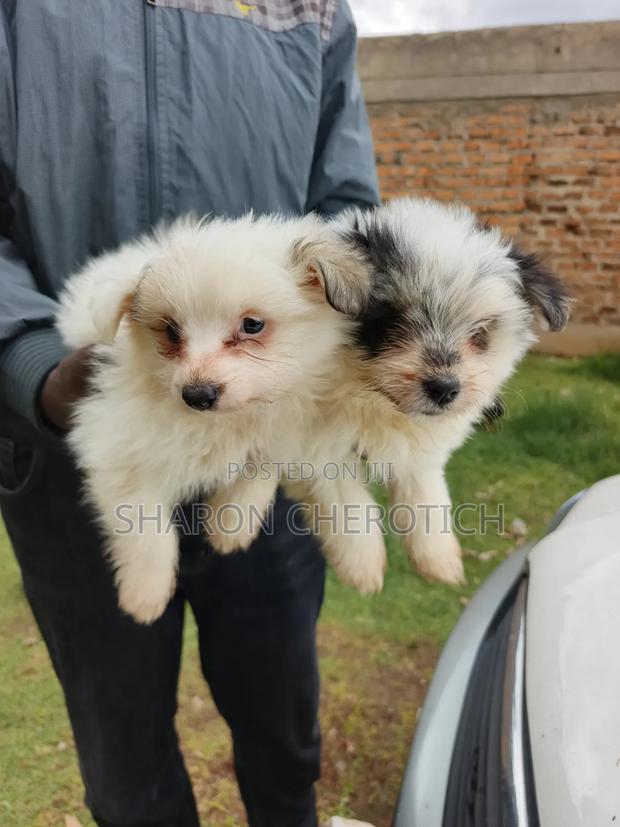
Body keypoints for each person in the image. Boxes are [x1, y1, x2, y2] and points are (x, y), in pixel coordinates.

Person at [0, 2, 379, 826]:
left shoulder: (309, 8)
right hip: (79, 447)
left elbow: (347, 214)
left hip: (271, 446)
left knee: (282, 721)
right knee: (124, 761)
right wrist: (31, 360)